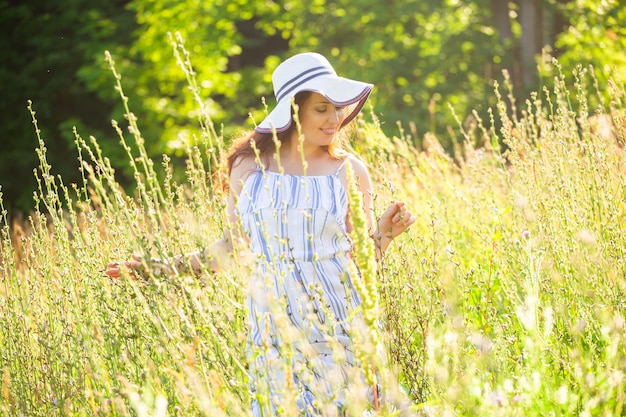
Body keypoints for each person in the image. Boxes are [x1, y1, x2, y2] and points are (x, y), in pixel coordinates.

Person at [106, 52, 415, 416]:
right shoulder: (247, 166)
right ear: (293, 110)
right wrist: (160, 269)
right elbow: (230, 247)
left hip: (340, 320)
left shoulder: (349, 170)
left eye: (337, 108)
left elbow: (362, 263)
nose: (335, 119)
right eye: (322, 109)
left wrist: (384, 235)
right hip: (275, 322)